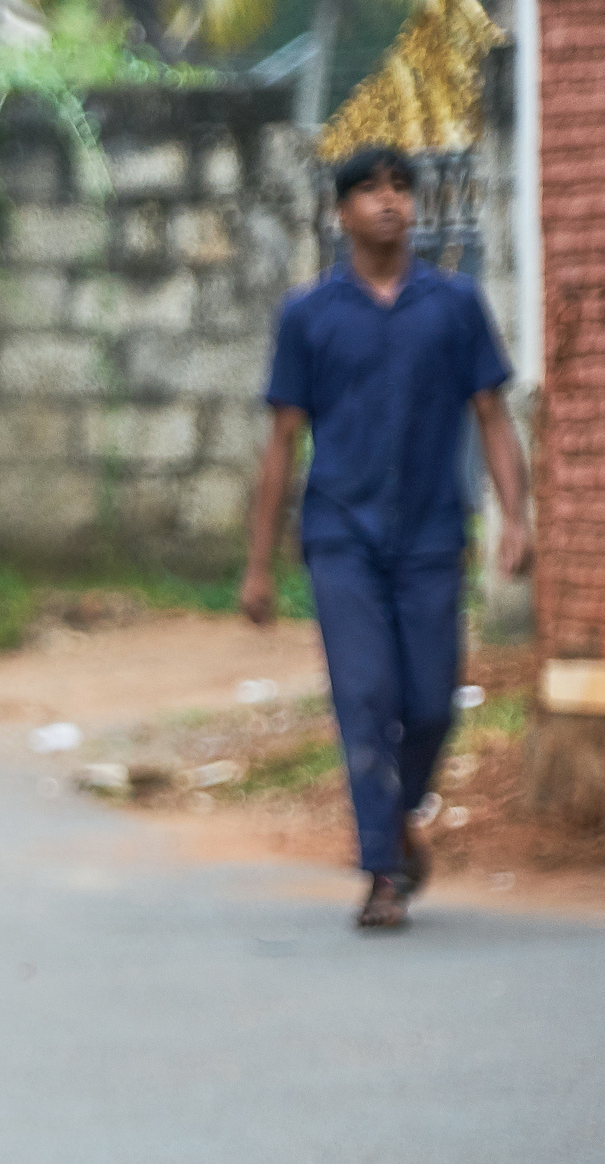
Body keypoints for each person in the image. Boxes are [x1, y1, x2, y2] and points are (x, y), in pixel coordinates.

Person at [243, 146, 531, 931]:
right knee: (365, 698)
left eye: (401, 187)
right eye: (370, 189)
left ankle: (396, 821)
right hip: (341, 537)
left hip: (433, 534)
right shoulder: (308, 315)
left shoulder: (454, 306)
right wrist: (259, 566)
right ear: (341, 212)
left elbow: (493, 416)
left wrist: (515, 517)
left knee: (432, 702)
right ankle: (382, 873)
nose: (388, 201)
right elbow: (281, 444)